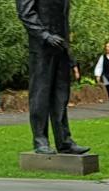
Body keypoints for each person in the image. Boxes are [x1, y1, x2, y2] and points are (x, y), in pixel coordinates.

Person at [16, 0, 90, 155]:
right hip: (42, 48)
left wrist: (69, 54)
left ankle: (64, 141)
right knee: (40, 95)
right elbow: (25, 13)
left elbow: (64, 21)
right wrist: (44, 35)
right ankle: (40, 140)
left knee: (61, 96)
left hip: (60, 47)